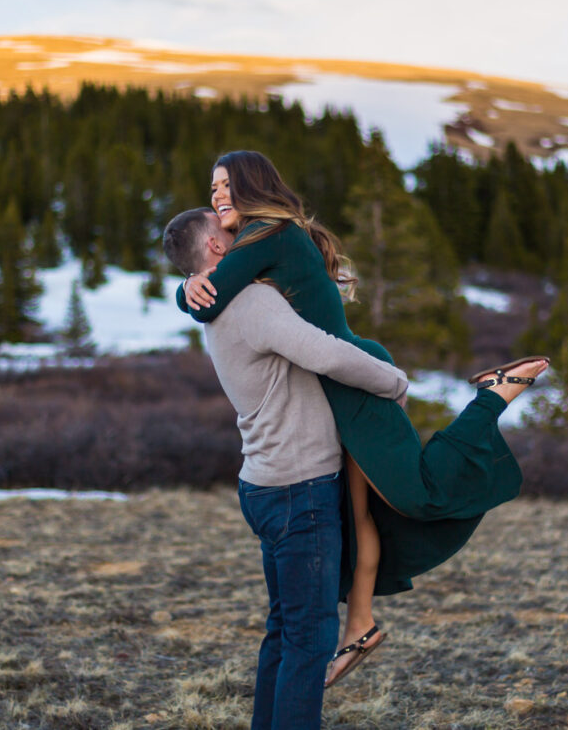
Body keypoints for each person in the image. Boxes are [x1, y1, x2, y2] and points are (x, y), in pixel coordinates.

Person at [177, 150, 548, 687]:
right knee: (360, 518)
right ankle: (361, 623)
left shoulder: (267, 234)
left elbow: (210, 300)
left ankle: (494, 395)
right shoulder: (266, 240)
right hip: (334, 391)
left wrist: (188, 288)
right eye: (211, 189)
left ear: (252, 185)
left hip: (354, 382)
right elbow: (213, 292)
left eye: (223, 185)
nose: (215, 196)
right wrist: (187, 285)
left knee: (416, 494)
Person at [162, 206, 411, 730]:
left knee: (284, 630)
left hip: (265, 484)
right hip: (300, 490)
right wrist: (391, 382)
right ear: (214, 249)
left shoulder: (216, 302)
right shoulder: (250, 300)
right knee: (311, 639)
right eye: (227, 229)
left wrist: (186, 289)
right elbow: (322, 351)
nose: (240, 232)